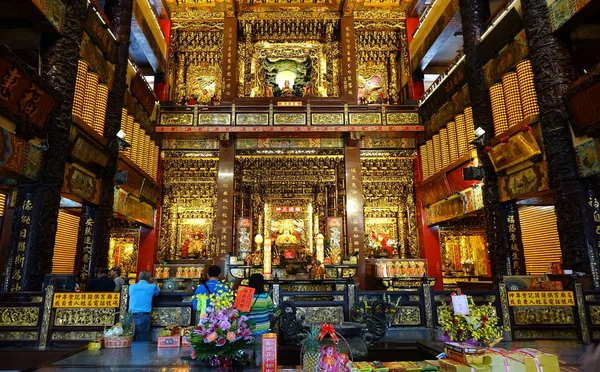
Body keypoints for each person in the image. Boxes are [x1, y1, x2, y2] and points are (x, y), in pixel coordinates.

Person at [244, 274, 274, 366]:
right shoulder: (266, 297)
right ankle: (258, 368)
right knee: (259, 351)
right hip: (262, 328)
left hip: (248, 329)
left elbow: (242, 313)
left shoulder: (246, 297)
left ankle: (247, 368)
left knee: (248, 351)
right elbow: (270, 312)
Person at [128, 271, 160, 341]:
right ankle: (142, 351)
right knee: (143, 339)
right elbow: (158, 292)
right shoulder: (152, 286)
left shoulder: (131, 286)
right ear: (149, 279)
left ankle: (131, 352)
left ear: (139, 278)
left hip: (131, 316)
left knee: (131, 339)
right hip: (144, 316)